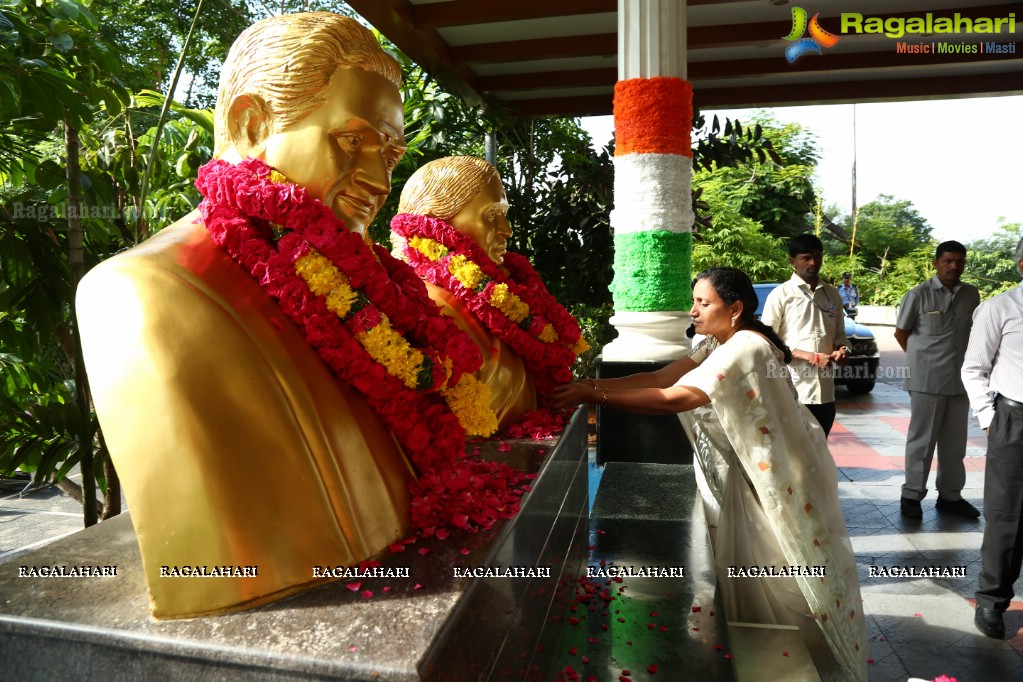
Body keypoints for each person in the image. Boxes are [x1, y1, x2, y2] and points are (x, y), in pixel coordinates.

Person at [75, 13, 481, 619]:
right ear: (252, 125)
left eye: (390, 153)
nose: (377, 177)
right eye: (351, 139)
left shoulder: (358, 296)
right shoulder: (145, 292)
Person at [553, 267, 868, 682]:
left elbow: (675, 398)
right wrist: (587, 386)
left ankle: (794, 660)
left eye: (704, 303)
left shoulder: (745, 348)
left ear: (734, 309)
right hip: (748, 471)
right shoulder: (715, 342)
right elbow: (660, 377)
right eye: (694, 301)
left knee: (776, 571)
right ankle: (760, 652)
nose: (694, 310)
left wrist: (592, 396)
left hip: (772, 480)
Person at [390, 156, 587, 429]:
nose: (506, 230)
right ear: (436, 222)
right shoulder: (426, 307)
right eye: (492, 215)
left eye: (504, 215)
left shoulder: (500, 304)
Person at [962, 237, 1023, 639]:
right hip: (1014, 419)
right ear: (1021, 264)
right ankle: (991, 601)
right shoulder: (999, 308)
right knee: (1006, 515)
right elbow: (973, 368)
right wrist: (990, 418)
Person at [894, 240, 981, 520]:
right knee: (922, 441)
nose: (954, 266)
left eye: (959, 261)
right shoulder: (918, 295)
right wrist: (922, 360)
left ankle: (951, 496)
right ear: (936, 263)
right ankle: (912, 495)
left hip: (960, 379)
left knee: (955, 444)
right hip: (926, 381)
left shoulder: (971, 294)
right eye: (948, 261)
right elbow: (901, 333)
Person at [761, 233, 849, 436]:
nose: (813, 262)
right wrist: (810, 357)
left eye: (818, 256)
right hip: (794, 390)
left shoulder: (832, 294)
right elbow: (767, 342)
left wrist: (843, 350)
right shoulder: (781, 295)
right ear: (793, 261)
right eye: (806, 257)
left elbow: (840, 336)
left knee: (820, 451)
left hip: (825, 392)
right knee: (796, 454)